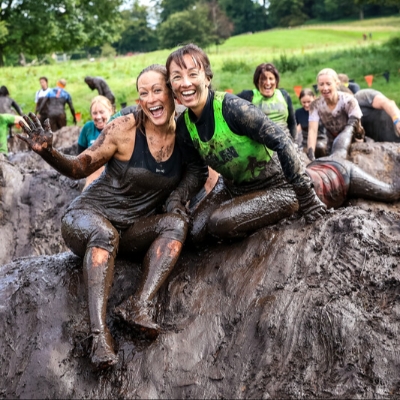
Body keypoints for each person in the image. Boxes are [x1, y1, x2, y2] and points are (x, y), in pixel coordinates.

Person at [17, 64, 207, 369]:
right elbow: (80, 167)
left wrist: (177, 198)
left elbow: (198, 170)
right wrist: (48, 153)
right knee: (105, 234)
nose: (151, 99)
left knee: (176, 224)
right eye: (143, 93)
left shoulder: (186, 131)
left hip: (132, 230)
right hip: (87, 216)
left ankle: (137, 304)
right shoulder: (124, 127)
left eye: (157, 90)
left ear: (173, 94)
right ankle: (98, 335)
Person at [165, 43, 326, 244]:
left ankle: (291, 201)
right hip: (232, 186)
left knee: (220, 223)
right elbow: (197, 172)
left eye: (192, 74)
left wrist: (307, 197)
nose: (185, 83)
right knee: (196, 232)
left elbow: (282, 141)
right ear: (171, 85)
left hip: (276, 185)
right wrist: (177, 197)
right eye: (177, 77)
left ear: (207, 78)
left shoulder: (233, 109)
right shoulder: (184, 127)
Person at [306, 123, 400, 209]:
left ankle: (351, 126)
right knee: (339, 152)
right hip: (321, 166)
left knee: (391, 192)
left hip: (341, 175)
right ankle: (350, 127)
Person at [307, 68, 364, 160]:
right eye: (321, 84)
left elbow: (354, 126)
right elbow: (312, 131)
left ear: (336, 84)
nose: (325, 88)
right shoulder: (315, 105)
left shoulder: (348, 100)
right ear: (317, 86)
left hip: (354, 139)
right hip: (332, 142)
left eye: (328, 84)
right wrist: (311, 154)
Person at [236, 63, 297, 140]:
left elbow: (292, 122)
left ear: (276, 81)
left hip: (284, 140)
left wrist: (293, 141)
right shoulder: (248, 96)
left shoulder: (283, 94)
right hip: (261, 142)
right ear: (257, 81)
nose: (268, 83)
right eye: (263, 79)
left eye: (271, 78)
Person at [77, 95, 114, 190]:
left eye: (102, 112)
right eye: (94, 113)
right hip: (93, 174)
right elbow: (80, 154)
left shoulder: (117, 126)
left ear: (110, 110)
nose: (98, 117)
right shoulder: (88, 128)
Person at [295, 88, 327, 157]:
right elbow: (296, 129)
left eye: (309, 102)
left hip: (321, 140)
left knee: (319, 147)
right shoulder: (298, 112)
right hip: (305, 142)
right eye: (304, 102)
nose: (306, 105)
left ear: (314, 98)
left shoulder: (321, 110)